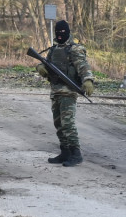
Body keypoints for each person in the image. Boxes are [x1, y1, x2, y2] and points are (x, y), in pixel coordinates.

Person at [35, 19, 94, 167]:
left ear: (68, 33)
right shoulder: (54, 49)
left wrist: (88, 80)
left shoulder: (75, 49)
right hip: (55, 92)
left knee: (68, 124)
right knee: (59, 124)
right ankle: (65, 152)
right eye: (58, 33)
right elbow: (46, 63)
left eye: (63, 32)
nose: (60, 35)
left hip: (68, 92)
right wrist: (40, 67)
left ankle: (76, 154)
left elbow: (83, 66)